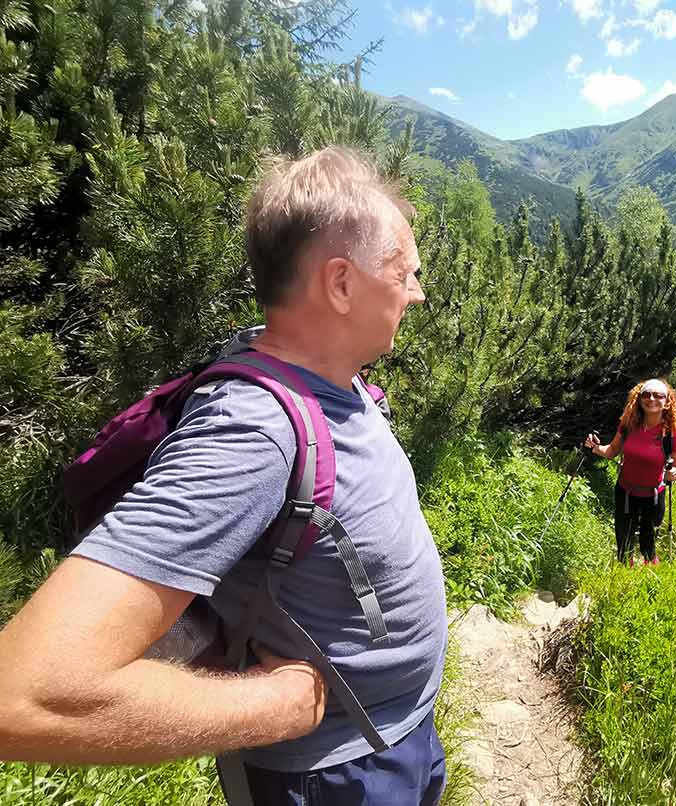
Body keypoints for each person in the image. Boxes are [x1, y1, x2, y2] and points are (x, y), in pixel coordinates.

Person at [0, 147, 449, 805]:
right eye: (405, 271)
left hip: (402, 738)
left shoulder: (336, 379)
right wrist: (272, 707)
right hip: (335, 776)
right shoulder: (252, 429)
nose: (418, 291)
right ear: (342, 285)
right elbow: (26, 692)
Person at [584, 379, 676, 566]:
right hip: (626, 491)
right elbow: (612, 450)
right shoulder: (628, 424)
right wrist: (595, 448)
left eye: (658, 395)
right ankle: (625, 575)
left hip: (654, 494)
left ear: (667, 401)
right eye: (646, 395)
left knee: (648, 540)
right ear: (639, 399)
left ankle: (651, 574)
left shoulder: (672, 433)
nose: (651, 399)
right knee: (623, 539)